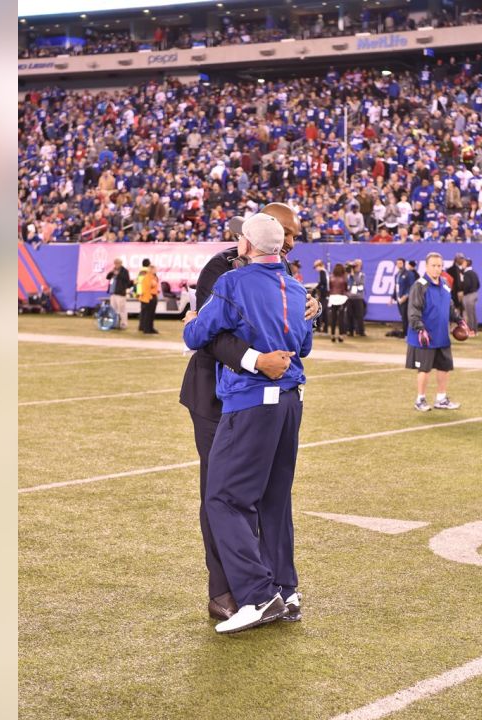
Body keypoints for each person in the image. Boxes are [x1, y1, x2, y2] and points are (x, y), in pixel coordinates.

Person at [178, 203, 319, 623]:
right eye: (288, 233)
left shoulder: (266, 278)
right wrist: (259, 358)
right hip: (223, 396)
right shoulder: (225, 270)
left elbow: (197, 330)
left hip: (252, 397)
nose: (293, 241)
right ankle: (232, 589)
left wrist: (312, 310)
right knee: (235, 494)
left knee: (240, 496)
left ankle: (263, 592)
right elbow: (213, 341)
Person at [407, 251, 470, 411]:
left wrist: (459, 320)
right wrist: (420, 329)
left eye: (439, 266)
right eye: (433, 265)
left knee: (444, 367)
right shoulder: (419, 286)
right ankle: (420, 399)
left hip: (442, 335)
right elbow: (413, 311)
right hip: (425, 336)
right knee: (424, 368)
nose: (437, 269)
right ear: (426, 266)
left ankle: (441, 399)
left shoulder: (444, 284)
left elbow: (449, 307)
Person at [390, 257, 417, 338]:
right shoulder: (397, 275)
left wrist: (406, 296)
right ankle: (405, 332)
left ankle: (407, 334)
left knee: (406, 317)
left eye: (400, 263)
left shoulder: (409, 274)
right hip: (399, 299)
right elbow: (396, 287)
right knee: (403, 316)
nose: (399, 265)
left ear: (404, 263)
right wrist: (392, 297)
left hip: (406, 299)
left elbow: (412, 286)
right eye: (397, 263)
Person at [105, 259, 133, 330]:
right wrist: (111, 272)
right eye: (115, 263)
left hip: (120, 294)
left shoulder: (124, 271)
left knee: (122, 310)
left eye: (117, 263)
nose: (116, 265)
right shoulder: (113, 270)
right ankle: (113, 323)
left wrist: (119, 274)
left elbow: (127, 281)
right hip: (113, 293)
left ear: (120, 263)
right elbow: (107, 277)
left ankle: (123, 324)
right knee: (113, 310)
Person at [327, 263, 349, 344]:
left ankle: (332, 335)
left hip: (333, 298)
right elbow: (346, 288)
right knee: (341, 318)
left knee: (333, 318)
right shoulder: (344, 277)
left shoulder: (331, 277)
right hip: (342, 298)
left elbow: (330, 287)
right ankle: (341, 336)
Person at [459, 257, 480, 337]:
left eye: (463, 263)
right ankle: (475, 330)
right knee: (473, 314)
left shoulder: (467, 273)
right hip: (474, 294)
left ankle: (471, 331)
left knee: (469, 314)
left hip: (469, 295)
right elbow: (478, 284)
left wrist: (464, 292)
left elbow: (467, 285)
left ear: (466, 264)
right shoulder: (474, 272)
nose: (462, 264)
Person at [346, 259, 367, 337]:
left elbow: (360, 285)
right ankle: (350, 331)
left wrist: (353, 277)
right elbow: (348, 285)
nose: (356, 266)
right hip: (350, 298)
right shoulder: (349, 275)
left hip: (358, 298)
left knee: (359, 315)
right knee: (349, 315)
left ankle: (361, 331)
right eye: (355, 265)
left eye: (358, 265)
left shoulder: (362, 275)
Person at [138, 262, 160, 334]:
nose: (156, 270)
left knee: (152, 314)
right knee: (147, 315)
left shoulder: (154, 277)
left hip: (153, 297)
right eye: (154, 269)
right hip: (148, 298)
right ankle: (146, 329)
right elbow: (146, 288)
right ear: (151, 270)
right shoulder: (147, 277)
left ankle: (151, 328)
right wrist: (149, 297)